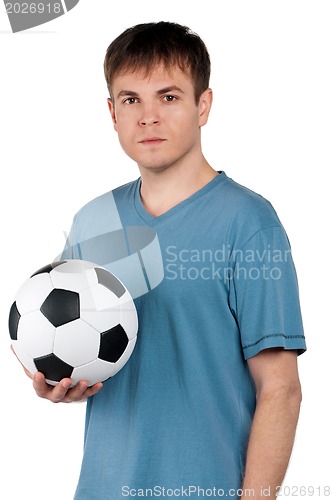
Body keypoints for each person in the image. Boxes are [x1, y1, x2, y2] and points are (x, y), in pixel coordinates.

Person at [16, 22, 306, 499]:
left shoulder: (249, 223)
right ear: (112, 113)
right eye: (131, 100)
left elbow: (280, 389)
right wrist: (53, 383)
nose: (148, 117)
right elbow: (64, 340)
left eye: (168, 97)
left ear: (203, 105)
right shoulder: (93, 220)